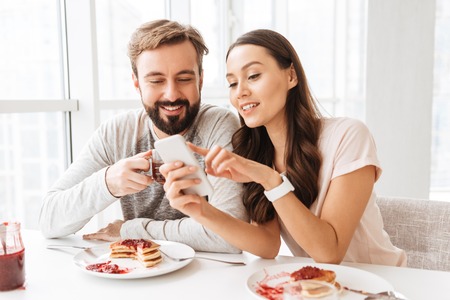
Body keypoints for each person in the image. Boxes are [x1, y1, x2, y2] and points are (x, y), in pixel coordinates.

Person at [161, 29, 407, 265]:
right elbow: (267, 245)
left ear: (291, 76)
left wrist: (270, 180)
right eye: (232, 83)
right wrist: (201, 211)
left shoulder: (349, 136)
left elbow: (329, 251)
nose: (241, 92)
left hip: (382, 286)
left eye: (253, 76)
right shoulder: (257, 153)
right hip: (319, 287)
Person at [39, 19, 248, 253]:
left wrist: (131, 230)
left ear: (200, 79)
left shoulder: (219, 125)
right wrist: (108, 183)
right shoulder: (117, 133)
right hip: (139, 273)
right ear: (137, 83)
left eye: (184, 79)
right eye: (156, 81)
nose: (171, 94)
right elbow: (49, 220)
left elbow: (230, 237)